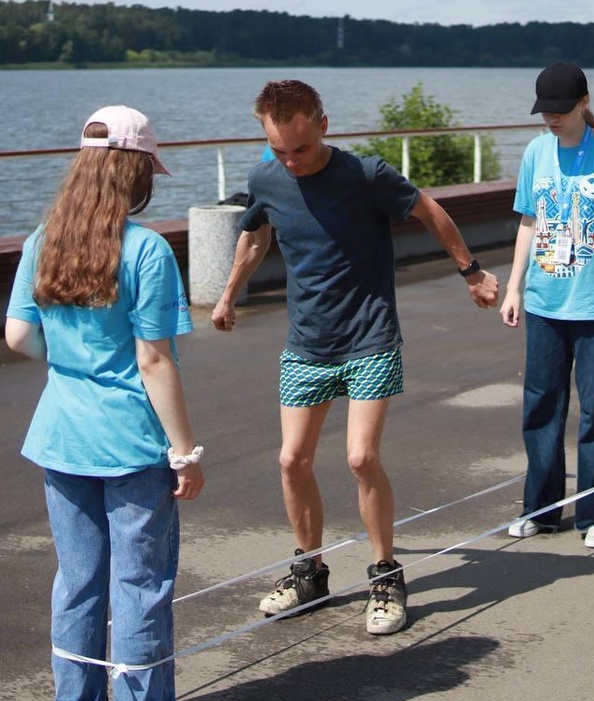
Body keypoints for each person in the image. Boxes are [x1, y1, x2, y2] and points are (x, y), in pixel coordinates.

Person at [210, 79, 500, 635]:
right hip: (307, 343)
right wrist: (228, 294)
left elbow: (430, 211)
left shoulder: (365, 174)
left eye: (300, 148)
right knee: (291, 460)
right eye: (279, 150)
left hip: (369, 336)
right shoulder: (265, 178)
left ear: (322, 124)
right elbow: (256, 234)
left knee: (361, 458)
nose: (291, 162)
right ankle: (308, 571)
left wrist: (471, 271)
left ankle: (386, 574)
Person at [5, 105, 202, 701]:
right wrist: (183, 452)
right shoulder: (145, 249)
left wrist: (68, 367)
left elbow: (17, 337)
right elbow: (153, 360)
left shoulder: (43, 241)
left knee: (78, 584)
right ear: (137, 170)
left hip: (60, 435)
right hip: (130, 443)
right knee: (140, 589)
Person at [500, 62, 594, 549]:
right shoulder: (536, 153)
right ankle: (541, 511)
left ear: (584, 102)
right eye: (545, 111)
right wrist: (515, 287)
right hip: (545, 303)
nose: (552, 119)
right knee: (541, 408)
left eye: (561, 110)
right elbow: (528, 222)